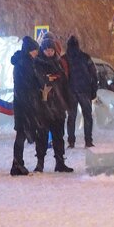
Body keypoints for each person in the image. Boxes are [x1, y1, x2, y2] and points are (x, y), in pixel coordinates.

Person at [33, 33, 73, 173]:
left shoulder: (59, 63)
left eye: (51, 50)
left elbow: (64, 83)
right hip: (44, 107)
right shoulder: (38, 63)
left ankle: (60, 162)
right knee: (42, 136)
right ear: (43, 50)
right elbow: (42, 80)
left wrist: (67, 103)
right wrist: (50, 79)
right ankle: (40, 163)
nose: (49, 52)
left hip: (58, 106)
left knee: (58, 136)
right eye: (47, 50)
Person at [9, 36, 42, 176]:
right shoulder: (26, 63)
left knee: (21, 133)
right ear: (29, 50)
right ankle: (17, 164)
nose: (36, 53)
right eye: (35, 50)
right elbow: (31, 83)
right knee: (22, 134)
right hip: (25, 103)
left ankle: (17, 163)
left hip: (22, 102)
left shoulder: (22, 62)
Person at [64, 35, 99, 148]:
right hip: (85, 91)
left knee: (71, 117)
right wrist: (94, 89)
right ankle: (88, 141)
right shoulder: (85, 57)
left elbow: (62, 76)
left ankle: (71, 141)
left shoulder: (64, 59)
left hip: (70, 92)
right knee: (87, 116)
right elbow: (94, 74)